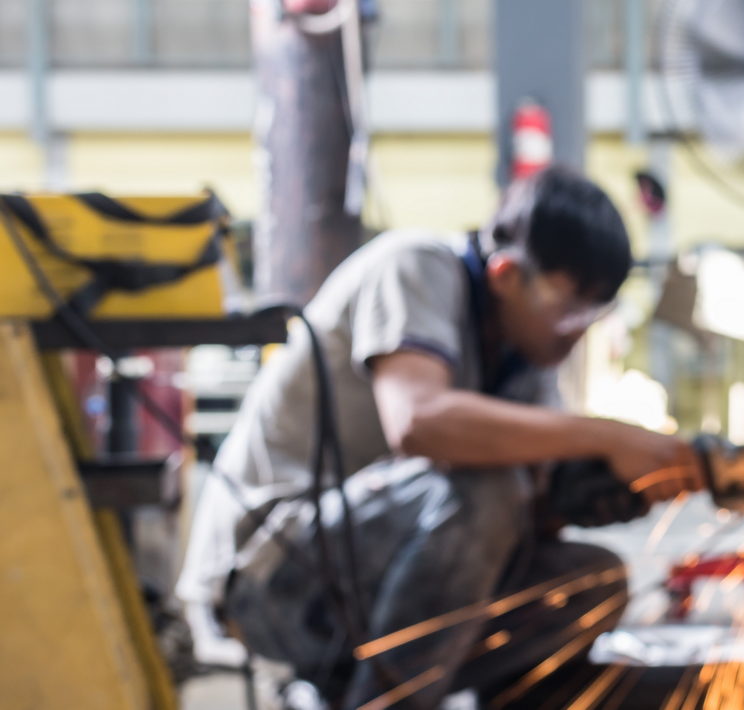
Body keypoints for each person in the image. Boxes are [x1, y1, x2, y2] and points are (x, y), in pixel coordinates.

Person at [176, 166, 700, 706]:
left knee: (589, 585)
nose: (576, 332)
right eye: (566, 310)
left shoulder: (528, 359)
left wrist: (586, 494)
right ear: (504, 275)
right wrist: (609, 438)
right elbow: (421, 424)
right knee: (487, 490)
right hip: (271, 574)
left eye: (591, 315)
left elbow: (517, 514)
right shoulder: (414, 266)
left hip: (372, 583)